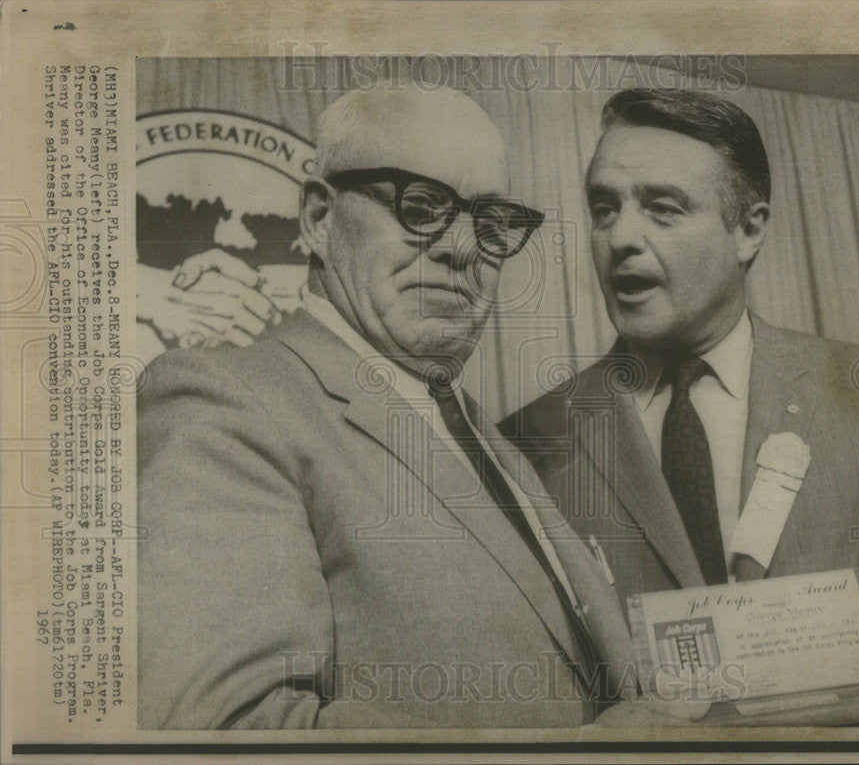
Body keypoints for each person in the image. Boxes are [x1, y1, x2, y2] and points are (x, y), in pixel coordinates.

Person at [137, 84, 637, 729]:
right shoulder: (226, 401)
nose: (464, 249)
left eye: (491, 224)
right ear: (319, 219)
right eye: (422, 206)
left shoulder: (476, 428)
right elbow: (224, 729)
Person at [502, 88, 859, 725]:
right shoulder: (526, 442)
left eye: (663, 209)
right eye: (603, 208)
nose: (620, 237)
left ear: (748, 230)